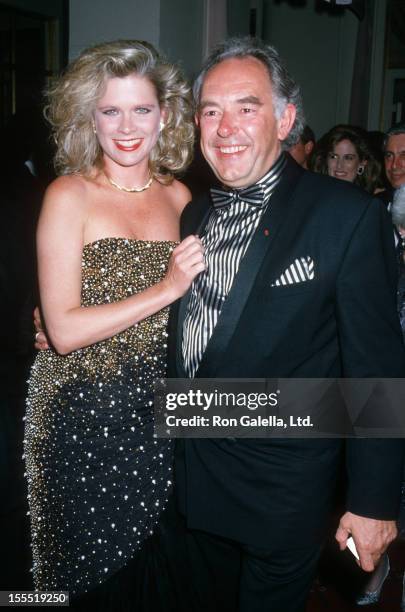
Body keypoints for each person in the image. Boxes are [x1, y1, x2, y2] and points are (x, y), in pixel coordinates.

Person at [166, 37, 405, 612]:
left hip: (282, 489)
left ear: (286, 119)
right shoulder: (195, 212)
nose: (226, 129)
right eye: (212, 112)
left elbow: (376, 368)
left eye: (246, 108)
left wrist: (374, 502)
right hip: (188, 480)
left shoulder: (347, 217)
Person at [24, 39, 205, 609]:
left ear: (166, 115)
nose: (127, 126)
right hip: (81, 414)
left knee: (161, 577)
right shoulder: (69, 195)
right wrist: (166, 288)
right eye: (110, 110)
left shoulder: (183, 198)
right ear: (89, 118)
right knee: (88, 581)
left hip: (161, 415)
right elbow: (66, 330)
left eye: (142, 109)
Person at [316, 124, 381, 193]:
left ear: (362, 163)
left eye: (348, 158)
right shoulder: (314, 194)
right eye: (333, 157)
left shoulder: (372, 201)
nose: (339, 166)